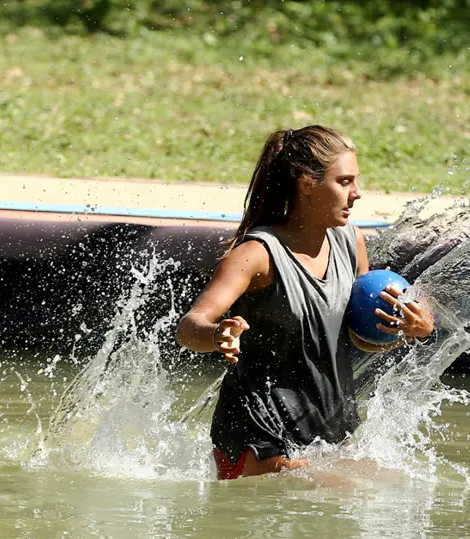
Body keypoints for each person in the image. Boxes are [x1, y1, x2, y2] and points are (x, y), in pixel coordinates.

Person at [175, 125, 435, 480]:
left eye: (355, 181)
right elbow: (189, 327)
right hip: (259, 436)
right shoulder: (256, 255)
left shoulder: (350, 241)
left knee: (401, 485)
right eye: (344, 182)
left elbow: (356, 337)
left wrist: (408, 329)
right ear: (307, 183)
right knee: (357, 491)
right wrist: (218, 334)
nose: (356, 194)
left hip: (327, 431)